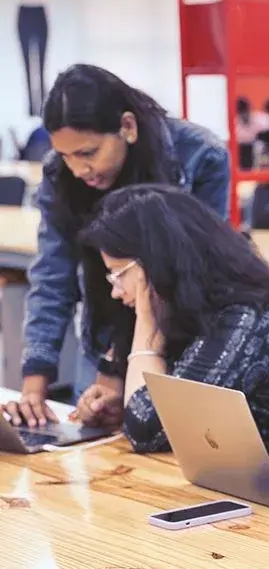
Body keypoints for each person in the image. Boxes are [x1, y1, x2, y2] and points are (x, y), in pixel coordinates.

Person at [3, 63, 231, 428]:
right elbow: (52, 277)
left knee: (166, 461)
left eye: (89, 153)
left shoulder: (200, 156)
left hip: (179, 341)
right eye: (66, 156)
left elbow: (188, 274)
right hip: (102, 334)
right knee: (95, 455)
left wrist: (117, 362)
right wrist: (34, 387)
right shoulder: (60, 175)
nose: (79, 169)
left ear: (127, 127)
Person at [73, 184, 269, 459]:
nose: (116, 291)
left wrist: (147, 328)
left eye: (119, 275)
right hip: (206, 475)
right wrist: (112, 408)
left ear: (157, 263)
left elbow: (147, 430)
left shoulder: (245, 320)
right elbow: (127, 403)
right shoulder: (176, 308)